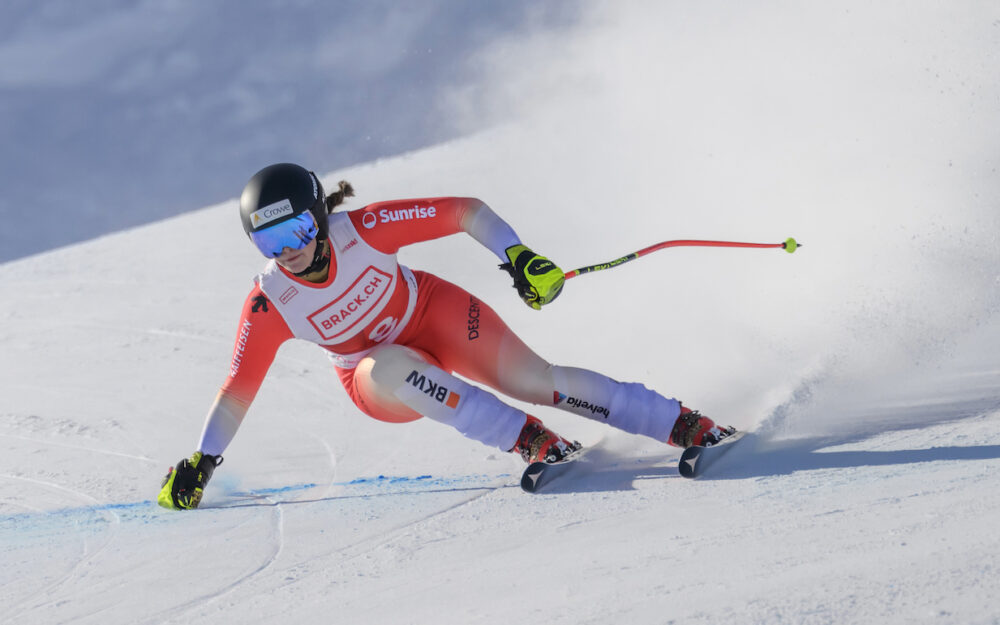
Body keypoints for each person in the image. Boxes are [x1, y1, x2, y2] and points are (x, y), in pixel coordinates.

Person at [157, 163, 734, 510]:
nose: (291, 251)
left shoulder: (365, 230)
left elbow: (464, 210)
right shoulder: (270, 302)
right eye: (270, 243)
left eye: (300, 229)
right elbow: (238, 388)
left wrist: (519, 257)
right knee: (387, 365)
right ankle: (531, 442)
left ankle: (685, 425)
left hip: (432, 311)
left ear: (320, 217)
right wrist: (201, 464)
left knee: (535, 379)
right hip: (377, 380)